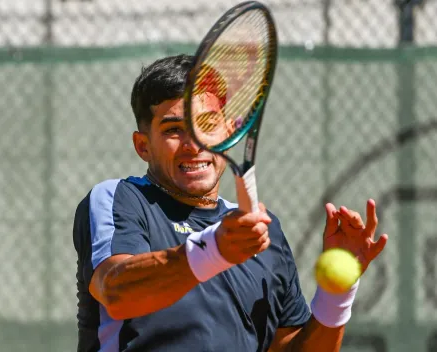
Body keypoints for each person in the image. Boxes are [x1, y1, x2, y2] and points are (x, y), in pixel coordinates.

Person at [73, 54, 388, 352]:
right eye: (173, 130)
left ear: (230, 131)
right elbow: (116, 291)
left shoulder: (267, 233)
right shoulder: (120, 198)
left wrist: (338, 293)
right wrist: (215, 250)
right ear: (143, 146)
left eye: (207, 125)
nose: (193, 144)